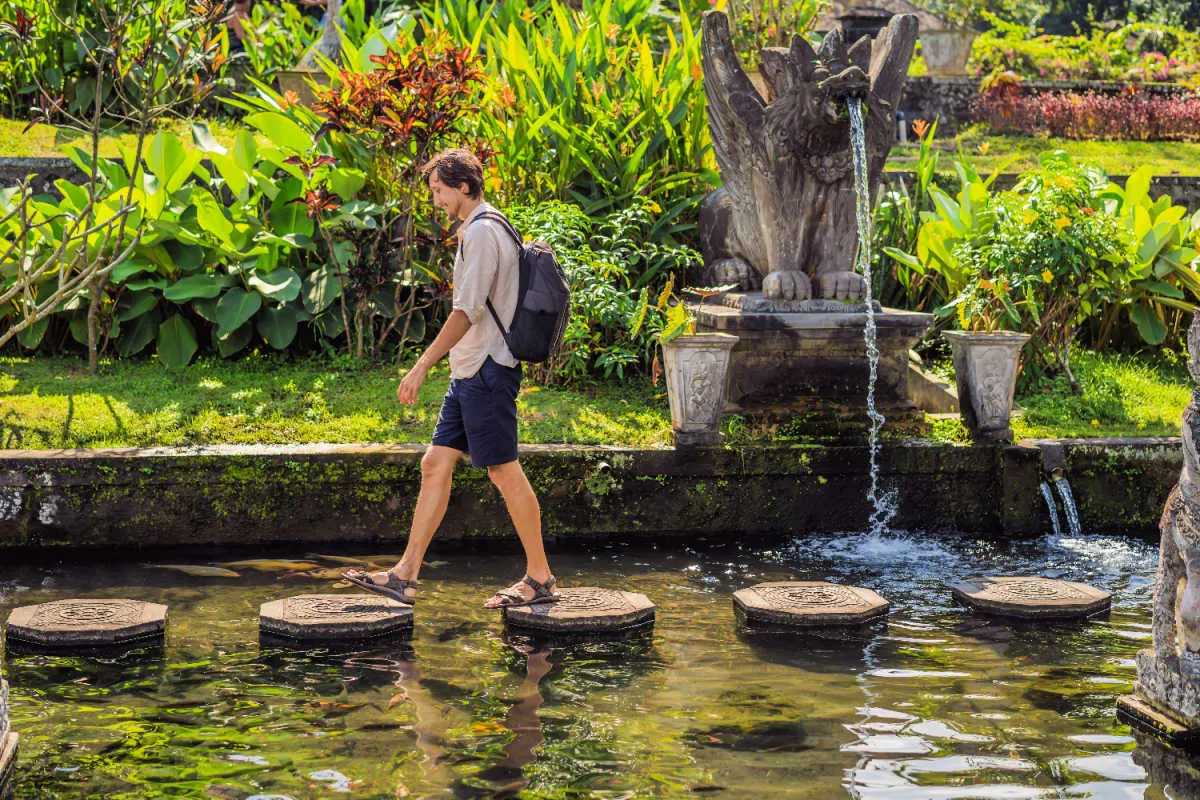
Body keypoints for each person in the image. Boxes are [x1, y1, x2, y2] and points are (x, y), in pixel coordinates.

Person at [344, 148, 560, 610]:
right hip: (470, 370)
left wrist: (421, 365)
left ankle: (540, 577)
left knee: (503, 470)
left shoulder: (482, 232)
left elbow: (468, 311)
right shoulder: (488, 225)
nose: (436, 200)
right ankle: (404, 575)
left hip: (486, 368)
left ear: (463, 186)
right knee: (435, 464)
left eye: (440, 191)